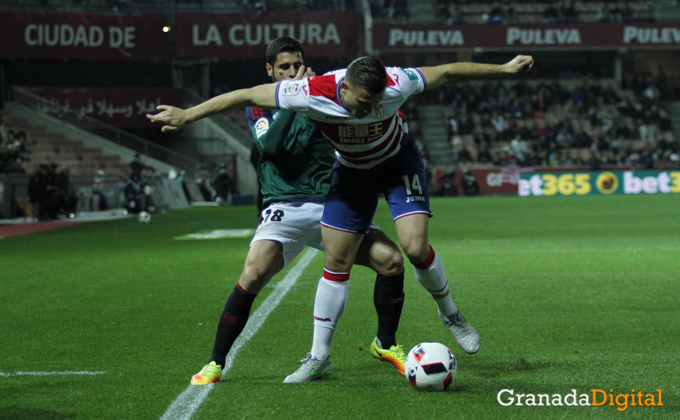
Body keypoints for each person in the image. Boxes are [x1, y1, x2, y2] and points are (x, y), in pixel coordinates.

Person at [148, 51, 533, 376]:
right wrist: (188, 115)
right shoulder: (310, 93)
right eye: (363, 104)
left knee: (414, 249)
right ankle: (319, 357)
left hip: (397, 164)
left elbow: (448, 72)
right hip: (351, 174)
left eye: (378, 103)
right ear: (344, 88)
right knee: (337, 258)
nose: (370, 110)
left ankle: (450, 314)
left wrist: (503, 69)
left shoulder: (396, 82)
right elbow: (246, 94)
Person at [175, 37, 406, 386]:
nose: (292, 72)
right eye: (284, 67)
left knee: (391, 260)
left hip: (333, 206)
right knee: (251, 275)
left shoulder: (323, 98)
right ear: (270, 70)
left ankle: (385, 345)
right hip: (284, 206)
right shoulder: (264, 106)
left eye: (297, 66)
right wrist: (296, 98)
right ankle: (215, 363)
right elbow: (269, 144)